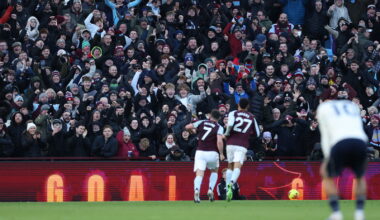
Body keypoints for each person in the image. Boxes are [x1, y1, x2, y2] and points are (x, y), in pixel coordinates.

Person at [317, 100, 368, 220]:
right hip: (360, 141)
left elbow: (325, 136)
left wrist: (327, 157)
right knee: (360, 177)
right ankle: (359, 213)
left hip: (339, 142)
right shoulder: (352, 105)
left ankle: (336, 213)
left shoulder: (323, 108)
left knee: (326, 173)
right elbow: (358, 126)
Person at [224, 98, 260, 202]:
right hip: (242, 144)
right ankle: (231, 183)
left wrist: (227, 134)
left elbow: (230, 124)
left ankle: (227, 190)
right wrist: (248, 133)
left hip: (230, 143)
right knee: (237, 166)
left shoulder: (233, 113)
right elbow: (257, 133)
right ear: (247, 106)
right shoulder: (252, 117)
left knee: (229, 166)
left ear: (238, 104)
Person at [185, 109, 224, 203]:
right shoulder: (219, 127)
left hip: (200, 152)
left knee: (199, 173)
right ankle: (210, 189)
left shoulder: (202, 122)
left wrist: (193, 130)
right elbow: (219, 141)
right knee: (214, 171)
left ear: (210, 116)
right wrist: (221, 153)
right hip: (212, 152)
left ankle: (197, 191)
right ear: (218, 118)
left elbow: (187, 127)